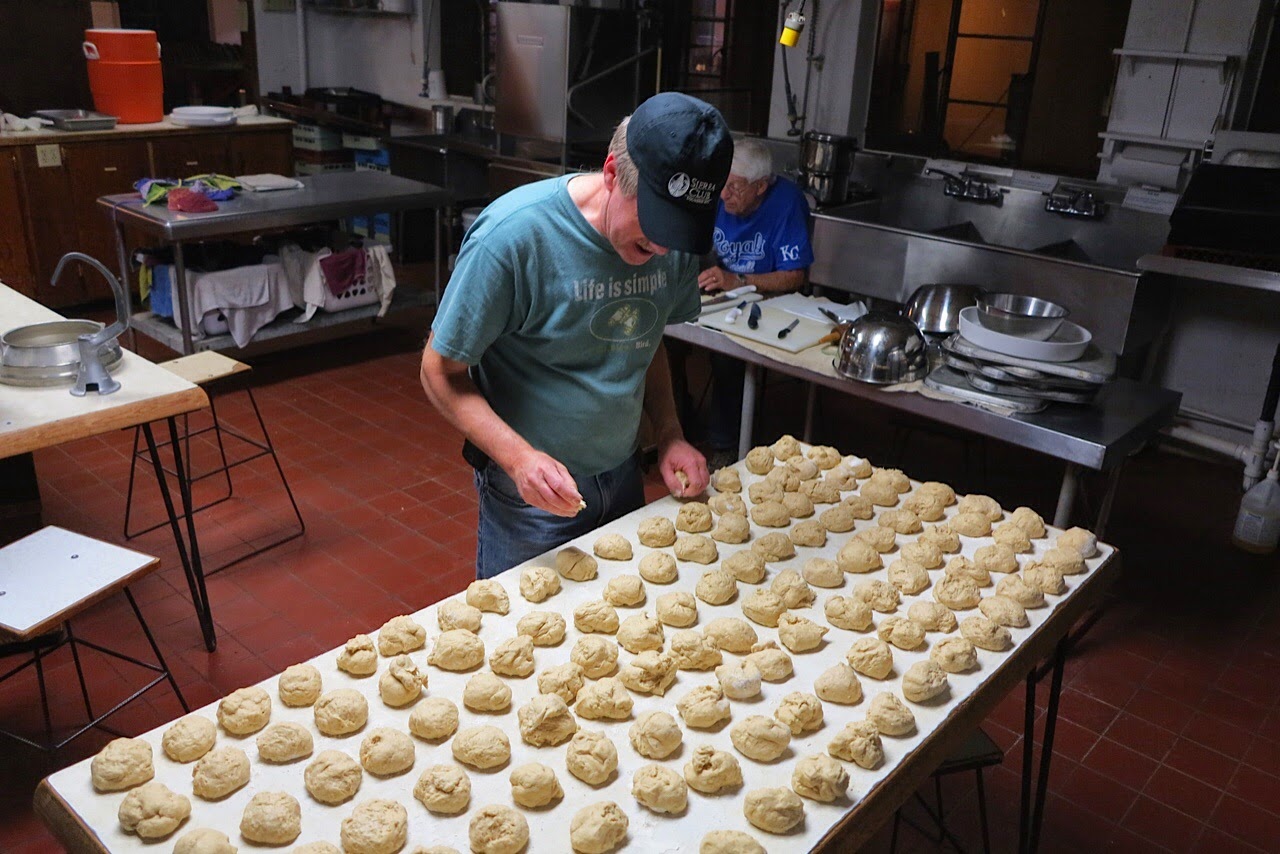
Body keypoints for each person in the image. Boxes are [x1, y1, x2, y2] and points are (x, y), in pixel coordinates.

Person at [420, 92, 734, 579]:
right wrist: (519, 459)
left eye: (680, 231)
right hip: (534, 497)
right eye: (654, 226)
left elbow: (643, 340)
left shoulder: (673, 246)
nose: (665, 247)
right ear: (612, 172)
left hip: (626, 473)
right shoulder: (513, 238)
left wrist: (670, 432)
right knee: (522, 643)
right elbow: (440, 372)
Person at [696, 137, 814, 470]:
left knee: (729, 356)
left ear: (760, 187)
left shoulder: (787, 203)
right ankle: (684, 424)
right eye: (723, 185)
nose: (724, 195)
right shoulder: (717, 194)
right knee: (670, 339)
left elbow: (794, 276)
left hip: (768, 298)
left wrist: (742, 282)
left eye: (734, 188)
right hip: (718, 289)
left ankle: (725, 447)